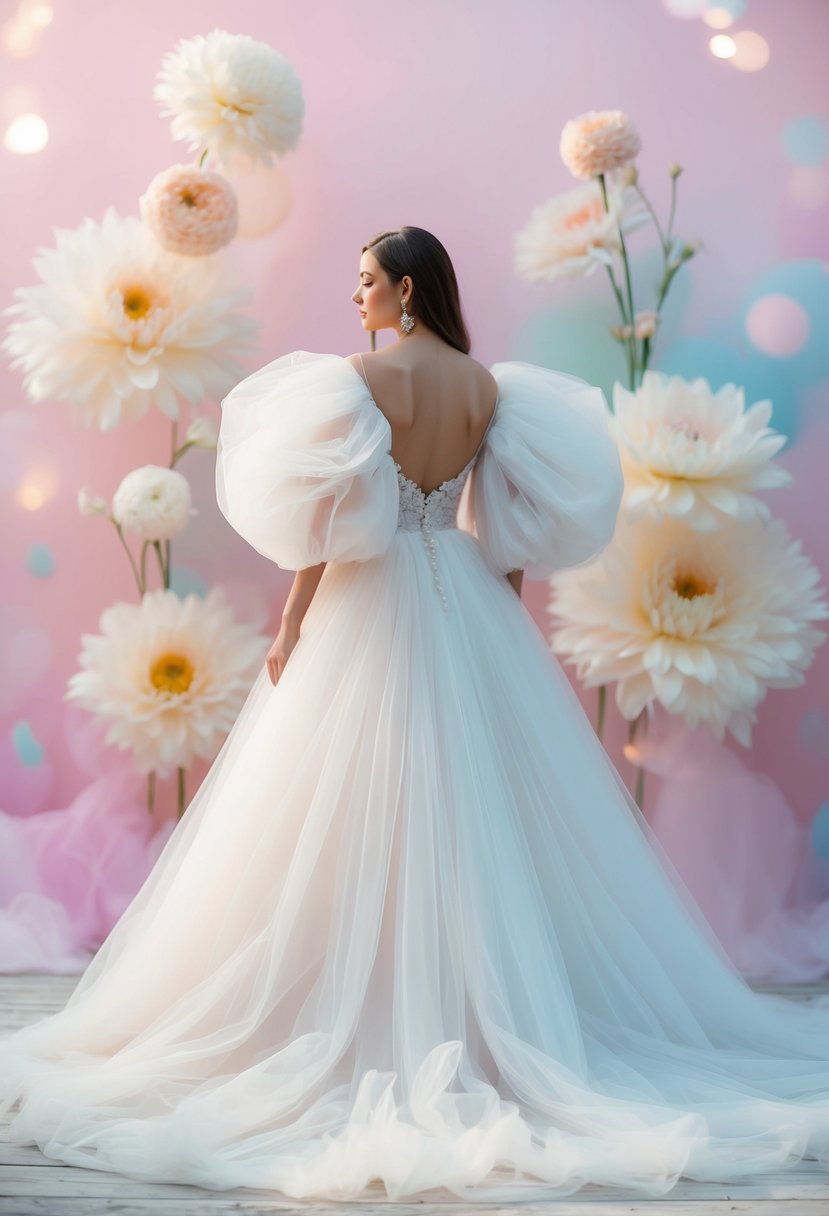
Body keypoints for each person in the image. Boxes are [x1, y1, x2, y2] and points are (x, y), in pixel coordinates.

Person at [0, 225, 827, 1204]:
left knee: (336, 804)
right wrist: (495, 622)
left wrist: (293, 620)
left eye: (365, 282)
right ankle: (474, 1005)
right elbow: (514, 525)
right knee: (468, 809)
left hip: (370, 595)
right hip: (463, 597)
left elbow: (328, 519)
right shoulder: (490, 389)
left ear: (402, 286)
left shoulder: (360, 380)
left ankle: (351, 1000)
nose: (357, 298)